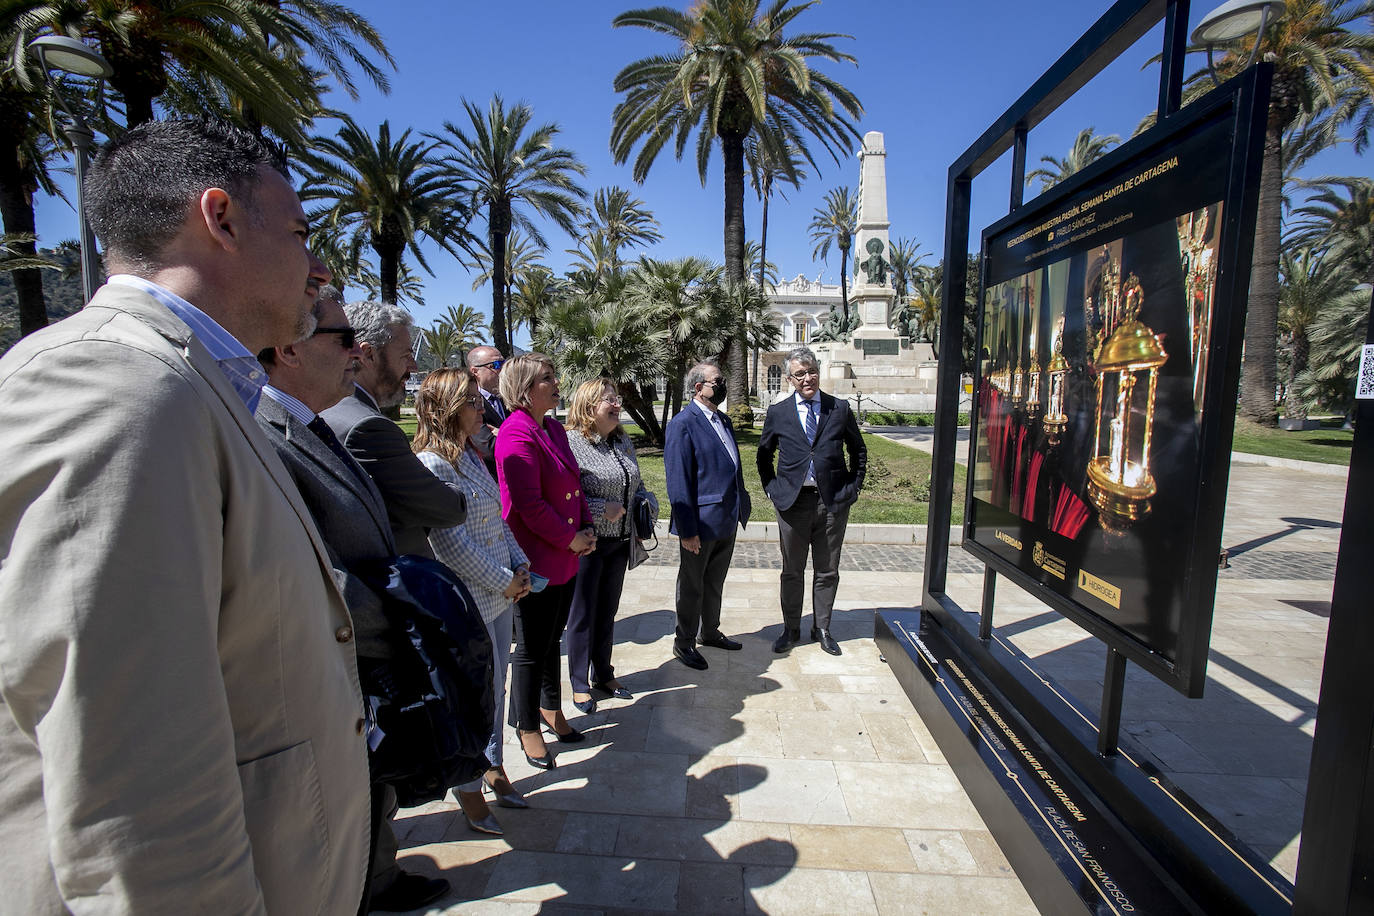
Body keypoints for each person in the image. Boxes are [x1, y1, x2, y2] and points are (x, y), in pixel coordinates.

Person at [0, 118, 369, 913]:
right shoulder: (115, 386)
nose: (320, 267)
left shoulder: (188, 383)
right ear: (221, 219)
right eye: (303, 233)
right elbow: (133, 789)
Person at [255, 287, 450, 911]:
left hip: (359, 659)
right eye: (345, 342)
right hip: (340, 655)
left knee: (370, 796)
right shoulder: (268, 429)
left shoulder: (319, 419)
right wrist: (395, 609)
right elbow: (306, 568)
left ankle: (376, 881)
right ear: (288, 350)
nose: (357, 355)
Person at [412, 367, 533, 836]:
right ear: (446, 409)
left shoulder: (469, 456)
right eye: (472, 403)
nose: (482, 409)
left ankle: (493, 765)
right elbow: (451, 544)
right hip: (471, 603)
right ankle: (468, 787)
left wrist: (520, 566)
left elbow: (498, 520)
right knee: (472, 696)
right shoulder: (432, 465)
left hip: (499, 598)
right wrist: (505, 580)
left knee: (494, 689)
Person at [496, 354, 596, 769]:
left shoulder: (552, 427)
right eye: (547, 378)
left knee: (551, 638)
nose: (557, 383)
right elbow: (528, 504)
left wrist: (586, 529)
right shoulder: (514, 433)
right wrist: (570, 538)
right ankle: (526, 725)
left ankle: (550, 709)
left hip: (566, 556)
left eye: (554, 376)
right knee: (532, 647)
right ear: (523, 389)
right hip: (536, 559)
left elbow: (574, 482)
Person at [321, 301, 467, 557]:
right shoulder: (367, 428)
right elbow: (449, 507)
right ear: (368, 355)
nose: (414, 367)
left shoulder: (330, 410)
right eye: (406, 355)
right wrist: (450, 487)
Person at [757, 346, 867, 656]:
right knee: (792, 571)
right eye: (801, 374)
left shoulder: (839, 408)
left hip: (831, 503)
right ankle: (791, 628)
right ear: (790, 379)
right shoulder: (778, 413)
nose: (808, 378)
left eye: (812, 371)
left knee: (827, 570)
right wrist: (772, 489)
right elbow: (764, 455)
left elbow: (858, 451)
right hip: (792, 504)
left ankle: (823, 628)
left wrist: (853, 488)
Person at [564, 378, 656, 713]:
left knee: (608, 612)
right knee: (583, 615)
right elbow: (566, 495)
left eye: (616, 399)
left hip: (620, 542)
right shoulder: (571, 442)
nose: (616, 404)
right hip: (588, 543)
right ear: (589, 406)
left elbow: (639, 482)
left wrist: (646, 509)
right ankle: (578, 683)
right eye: (608, 400)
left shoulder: (622, 439)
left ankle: (604, 673)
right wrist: (603, 509)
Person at [663, 360, 753, 670]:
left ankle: (710, 632)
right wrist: (687, 530)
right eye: (718, 380)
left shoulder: (723, 421)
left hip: (726, 518)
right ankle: (684, 642)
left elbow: (732, 467)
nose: (723, 385)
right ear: (699, 387)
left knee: (715, 582)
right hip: (699, 524)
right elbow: (677, 482)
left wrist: (742, 502)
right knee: (692, 585)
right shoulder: (682, 424)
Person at [466, 343, 509, 479]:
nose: (502, 369)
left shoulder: (509, 400)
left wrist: (502, 434)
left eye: (503, 363)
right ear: (475, 371)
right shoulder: (471, 405)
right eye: (495, 365)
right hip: (492, 482)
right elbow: (489, 448)